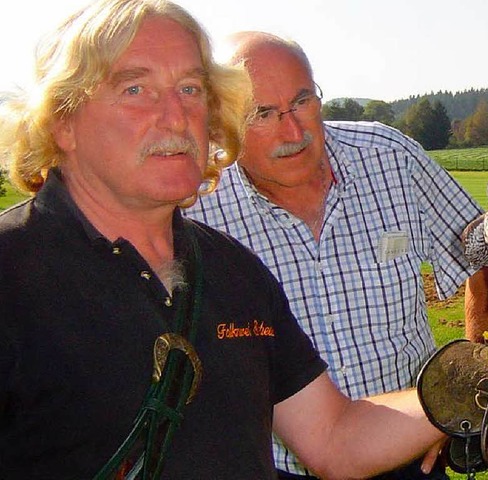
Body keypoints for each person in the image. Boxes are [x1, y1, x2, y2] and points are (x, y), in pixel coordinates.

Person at [0, 1, 451, 479]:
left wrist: (476, 385)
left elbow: (332, 437)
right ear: (60, 121)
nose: (176, 116)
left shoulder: (233, 271)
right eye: (136, 88)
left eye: (191, 88)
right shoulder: (13, 275)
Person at [185, 31, 488, 479]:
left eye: (302, 101)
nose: (293, 131)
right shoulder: (200, 206)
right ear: (222, 122)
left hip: (411, 452)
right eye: (263, 114)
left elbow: (483, 257)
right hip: (276, 467)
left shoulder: (390, 158)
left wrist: (464, 392)